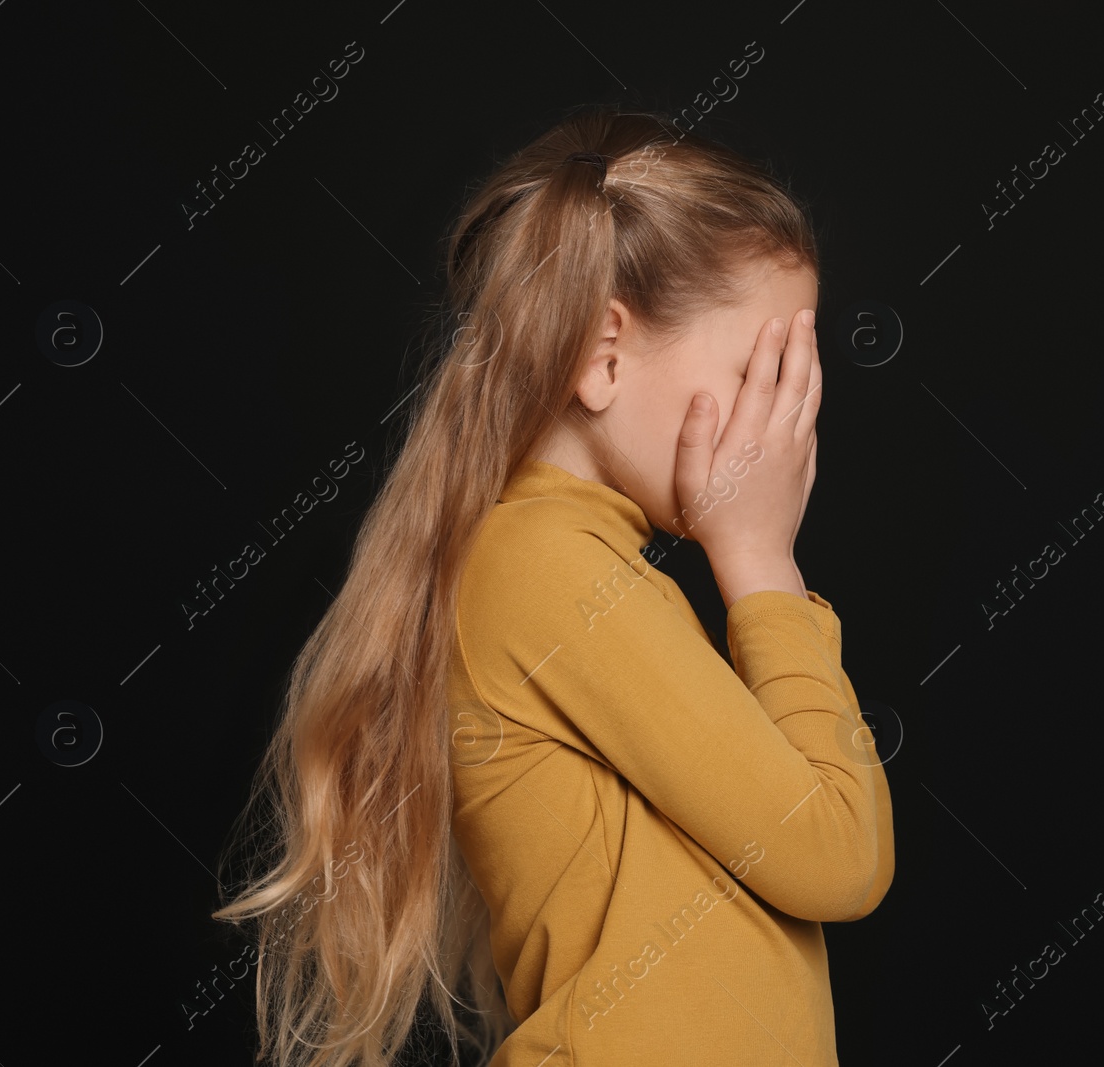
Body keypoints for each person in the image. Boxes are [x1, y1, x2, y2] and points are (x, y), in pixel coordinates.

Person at [212, 104, 894, 1067]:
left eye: (798, 383)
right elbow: (836, 853)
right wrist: (761, 561)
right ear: (603, 356)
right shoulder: (543, 568)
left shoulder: (588, 569)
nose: (783, 426)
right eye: (758, 372)